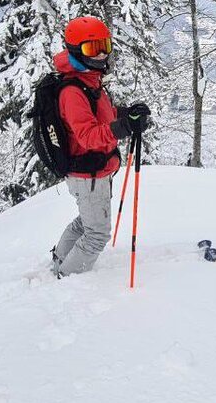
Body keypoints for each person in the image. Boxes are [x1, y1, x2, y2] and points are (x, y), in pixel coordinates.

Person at [50, 16, 151, 277]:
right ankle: (68, 277)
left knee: (87, 222)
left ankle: (60, 260)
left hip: (94, 171)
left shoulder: (90, 80)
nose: (102, 54)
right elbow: (87, 135)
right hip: (88, 173)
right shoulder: (73, 91)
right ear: (75, 50)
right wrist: (123, 128)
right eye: (92, 49)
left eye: (104, 45)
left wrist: (127, 114)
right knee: (97, 234)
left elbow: (101, 116)